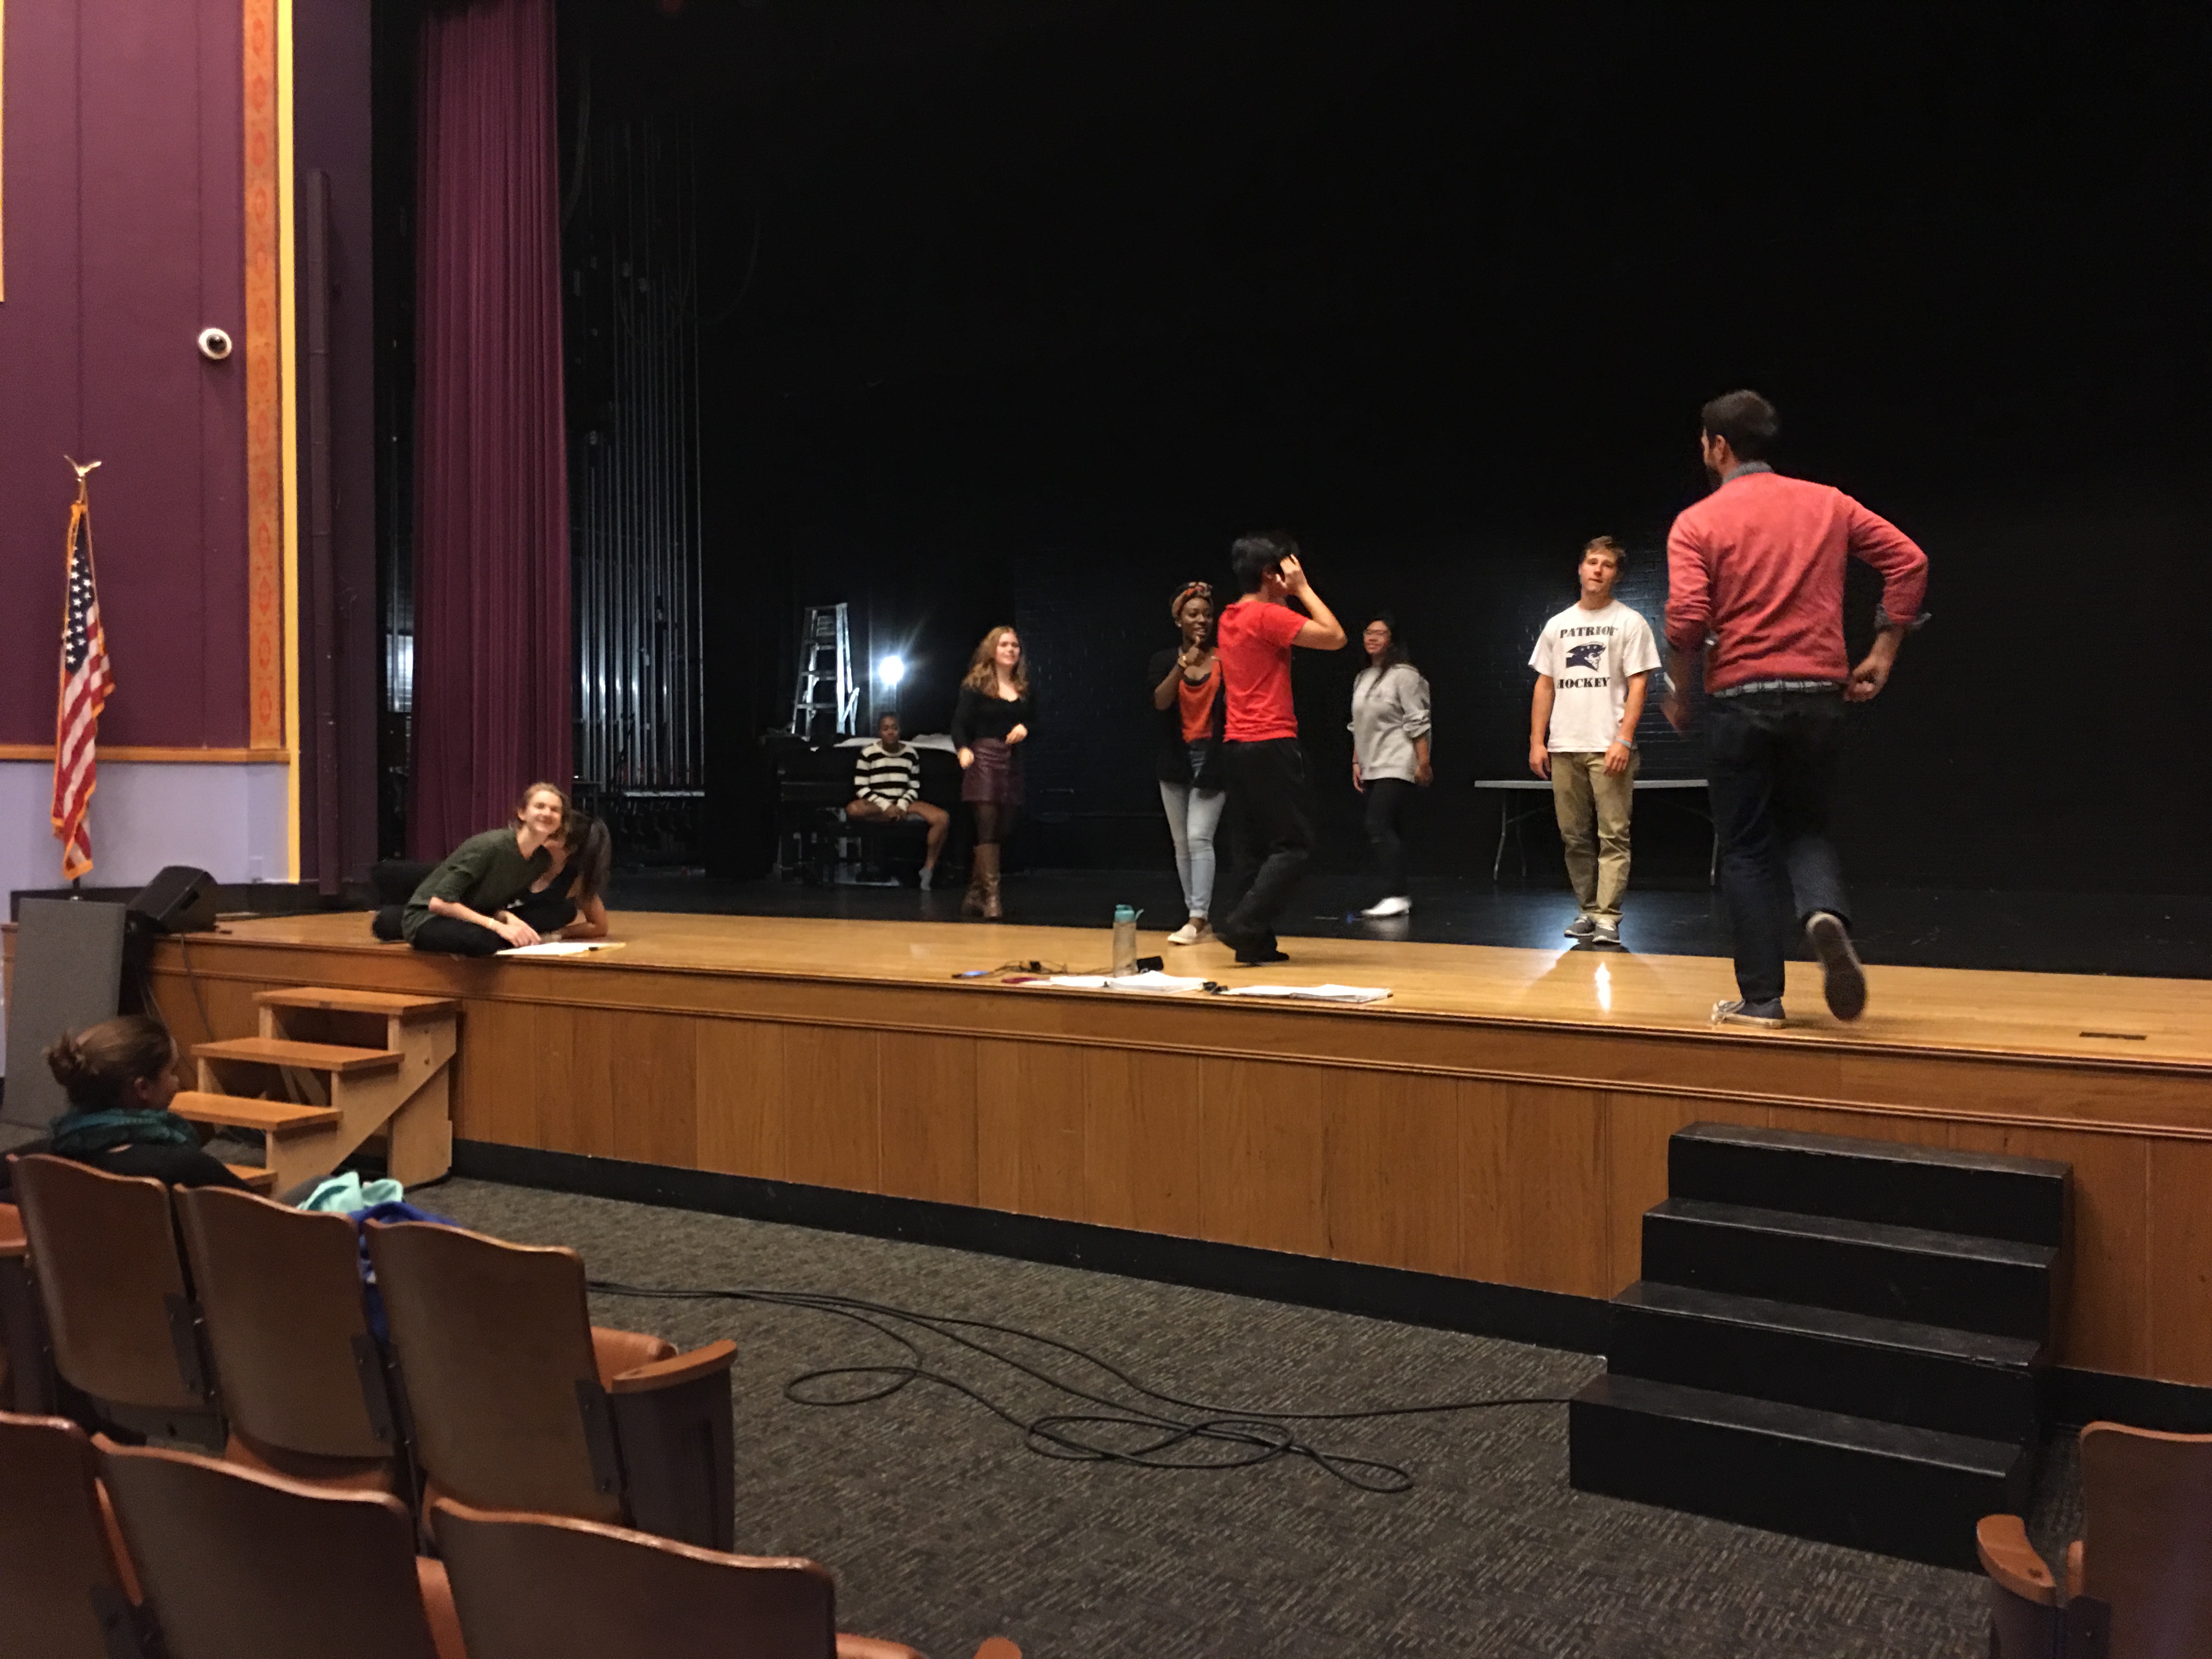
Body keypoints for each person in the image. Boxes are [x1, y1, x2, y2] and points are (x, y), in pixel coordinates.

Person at [1662, 389, 1928, 1029]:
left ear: (1718, 446)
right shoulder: (1827, 503)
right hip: (1818, 695)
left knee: (1748, 848)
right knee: (1805, 826)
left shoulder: (1697, 522)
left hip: (1739, 699)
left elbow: (1688, 618)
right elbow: (1909, 561)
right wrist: (1884, 651)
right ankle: (1823, 914)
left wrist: (1680, 686)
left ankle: (1762, 1000)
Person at [1212, 532, 1346, 966]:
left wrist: (1279, 589)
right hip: (1271, 742)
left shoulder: (1232, 616)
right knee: (1294, 846)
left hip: (1237, 745)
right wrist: (1304, 589)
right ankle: (1244, 925)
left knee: (1252, 850)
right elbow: (1335, 637)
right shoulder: (1267, 618)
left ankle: (1254, 942)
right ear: (1272, 573)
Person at [1527, 537, 1661, 946]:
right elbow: (1544, 685)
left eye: (1606, 565)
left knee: (1613, 834)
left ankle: (1609, 916)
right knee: (1573, 835)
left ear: (1616, 576)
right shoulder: (1558, 625)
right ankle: (1586, 910)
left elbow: (1639, 685)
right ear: (1581, 569)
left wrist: (1624, 738)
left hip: (1609, 745)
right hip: (1565, 744)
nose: (1597, 570)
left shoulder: (1630, 622)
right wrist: (1538, 741)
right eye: (1592, 562)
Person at [7, 1015, 250, 1192]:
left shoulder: (38, 1160)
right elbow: (270, 1225)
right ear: (142, 1088)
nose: (177, 1083)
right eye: (172, 1072)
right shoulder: (184, 1167)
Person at [370, 782, 566, 955]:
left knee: (557, 912)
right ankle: (395, 922)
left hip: (475, 916)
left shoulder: (541, 861)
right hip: (430, 918)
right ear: (522, 813)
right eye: (540, 806)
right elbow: (439, 903)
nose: (547, 814)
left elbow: (495, 901)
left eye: (555, 810)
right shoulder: (490, 846)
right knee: (482, 941)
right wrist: (497, 926)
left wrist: (508, 918)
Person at [1149, 582, 1227, 945]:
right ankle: (1194, 916)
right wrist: (1183, 665)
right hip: (1176, 759)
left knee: (1199, 837)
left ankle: (1198, 918)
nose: (1202, 621)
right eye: (1194, 614)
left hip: (1212, 758)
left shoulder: (1225, 659)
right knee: (1181, 842)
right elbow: (1161, 703)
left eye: (1207, 615)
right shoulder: (1165, 660)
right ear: (1178, 619)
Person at [1349, 613, 1432, 919]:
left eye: (1380, 634)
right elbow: (1358, 723)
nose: (1372, 638)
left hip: (1398, 760)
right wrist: (1357, 759)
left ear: (1392, 641)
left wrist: (1423, 761)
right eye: (1368, 632)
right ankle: (1397, 893)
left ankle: (1396, 893)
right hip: (1372, 761)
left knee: (1378, 824)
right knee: (1387, 826)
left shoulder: (1405, 675)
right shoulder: (1363, 677)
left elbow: (1418, 719)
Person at [951, 626, 1031, 920]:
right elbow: (959, 724)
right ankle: (992, 898)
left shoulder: (1023, 688)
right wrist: (962, 749)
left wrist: (1026, 728)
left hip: (1011, 760)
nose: (1011, 650)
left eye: (1015, 646)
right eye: (1005, 645)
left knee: (1003, 828)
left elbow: (1036, 722)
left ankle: (975, 893)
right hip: (983, 757)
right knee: (986, 826)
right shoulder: (975, 686)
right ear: (992, 650)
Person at [847, 712, 949, 889]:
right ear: (880, 732)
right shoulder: (868, 753)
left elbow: (914, 786)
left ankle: (928, 868)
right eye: (886, 729)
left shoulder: (910, 754)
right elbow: (862, 786)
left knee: (942, 818)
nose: (891, 733)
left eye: (894, 728)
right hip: (878, 804)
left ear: (900, 731)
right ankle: (890, 817)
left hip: (905, 803)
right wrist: (886, 807)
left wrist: (901, 805)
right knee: (853, 810)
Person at [509, 809, 613, 940]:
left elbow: (599, 926)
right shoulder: (517, 859)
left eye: (551, 837)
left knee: (564, 911)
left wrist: (558, 934)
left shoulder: (574, 880)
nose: (542, 839)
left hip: (526, 944)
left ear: (571, 848)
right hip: (491, 930)